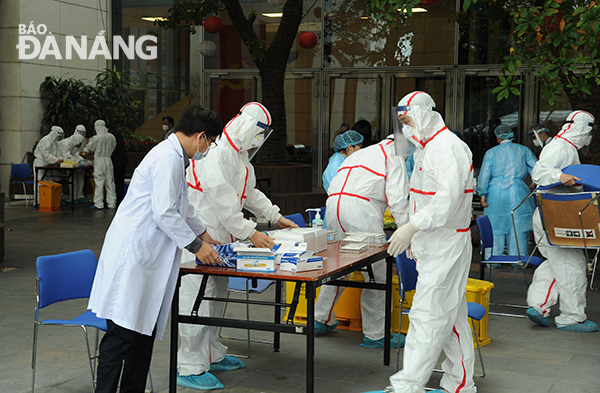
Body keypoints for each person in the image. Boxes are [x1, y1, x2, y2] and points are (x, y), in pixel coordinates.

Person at [88, 105, 223, 393]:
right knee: (122, 337)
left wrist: (204, 233)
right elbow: (165, 212)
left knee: (142, 335)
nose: (208, 148)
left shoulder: (176, 157)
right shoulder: (166, 158)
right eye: (210, 141)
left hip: (147, 260)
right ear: (201, 136)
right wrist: (198, 246)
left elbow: (182, 205)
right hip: (134, 257)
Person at [177, 102, 299, 390]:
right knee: (196, 301)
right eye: (258, 132)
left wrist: (275, 216)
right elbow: (223, 203)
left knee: (215, 297)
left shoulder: (240, 157)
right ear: (244, 125)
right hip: (200, 239)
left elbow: (249, 193)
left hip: (222, 239)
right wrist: (251, 232)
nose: (259, 139)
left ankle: (211, 352)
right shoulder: (216, 152)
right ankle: (189, 366)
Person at [374, 91, 476, 393]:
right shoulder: (426, 150)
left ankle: (408, 387)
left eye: (408, 121)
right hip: (434, 244)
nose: (405, 129)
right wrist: (414, 232)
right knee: (451, 317)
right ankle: (460, 383)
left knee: (427, 315)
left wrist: (412, 226)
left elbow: (447, 200)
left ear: (425, 115)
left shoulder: (448, 148)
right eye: (402, 122)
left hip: (447, 244)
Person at [315, 128, 409, 349]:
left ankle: (320, 318)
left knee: (337, 266)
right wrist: (408, 231)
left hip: (334, 206)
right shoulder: (393, 155)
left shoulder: (360, 153)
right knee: (377, 274)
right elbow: (397, 199)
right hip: (360, 211)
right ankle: (376, 335)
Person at [526, 110, 599, 332]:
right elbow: (539, 173)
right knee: (572, 266)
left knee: (557, 262)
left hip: (551, 214)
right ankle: (571, 317)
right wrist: (559, 177)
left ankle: (538, 305)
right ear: (581, 129)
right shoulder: (561, 147)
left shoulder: (563, 146)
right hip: (556, 215)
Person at [477, 124, 537, 263]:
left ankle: (492, 260)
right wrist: (535, 183)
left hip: (496, 192)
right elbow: (537, 169)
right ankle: (518, 261)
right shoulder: (523, 150)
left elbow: (484, 175)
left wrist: (482, 193)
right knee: (518, 227)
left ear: (497, 137)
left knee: (495, 227)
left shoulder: (491, 152)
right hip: (518, 191)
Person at [87, 120, 117, 210]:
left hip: (99, 161)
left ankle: (98, 203)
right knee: (110, 181)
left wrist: (90, 141)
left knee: (99, 182)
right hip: (108, 159)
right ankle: (112, 203)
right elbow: (114, 146)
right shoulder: (112, 137)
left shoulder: (96, 138)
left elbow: (90, 148)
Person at [33, 126, 64, 205]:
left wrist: (60, 158)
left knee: (49, 183)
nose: (59, 138)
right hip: (40, 163)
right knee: (39, 182)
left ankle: (48, 200)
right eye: (58, 136)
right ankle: (38, 202)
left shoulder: (54, 142)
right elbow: (46, 154)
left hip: (48, 164)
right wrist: (56, 160)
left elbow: (56, 153)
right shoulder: (46, 140)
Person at [58, 124, 89, 204]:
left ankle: (79, 196)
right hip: (66, 163)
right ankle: (73, 197)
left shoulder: (80, 140)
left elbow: (76, 153)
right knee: (73, 180)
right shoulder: (66, 143)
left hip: (74, 162)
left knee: (80, 179)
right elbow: (67, 156)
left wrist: (81, 160)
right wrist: (76, 160)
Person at [108, 126, 129, 206]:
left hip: (115, 161)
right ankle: (119, 200)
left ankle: (116, 200)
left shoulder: (110, 135)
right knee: (120, 181)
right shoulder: (117, 134)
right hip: (122, 160)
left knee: (115, 181)